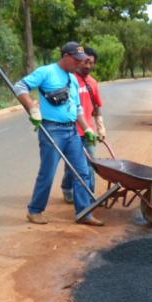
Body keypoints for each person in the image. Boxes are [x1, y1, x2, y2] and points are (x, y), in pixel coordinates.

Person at [13, 41, 103, 227]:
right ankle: (35, 211)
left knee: (82, 172)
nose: (80, 64)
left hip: (72, 131)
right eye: (77, 60)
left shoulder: (72, 78)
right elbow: (20, 87)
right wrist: (32, 108)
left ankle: (84, 213)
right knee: (48, 172)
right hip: (52, 130)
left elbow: (77, 108)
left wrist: (86, 127)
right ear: (66, 57)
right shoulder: (46, 72)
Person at [61, 46, 106, 204]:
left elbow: (97, 107)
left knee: (91, 163)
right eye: (85, 61)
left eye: (91, 63)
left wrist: (100, 127)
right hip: (71, 131)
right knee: (72, 165)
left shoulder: (93, 83)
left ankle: (89, 196)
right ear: (79, 61)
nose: (88, 65)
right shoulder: (69, 80)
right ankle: (67, 188)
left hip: (89, 132)